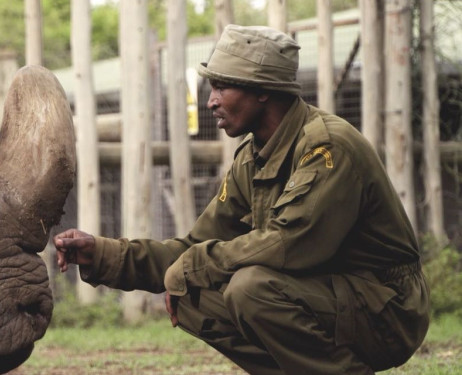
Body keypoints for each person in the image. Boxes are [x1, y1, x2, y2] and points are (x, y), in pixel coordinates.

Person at [53, 24, 429, 375]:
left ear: (262, 89)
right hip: (329, 297)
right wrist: (102, 254)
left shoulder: (327, 146)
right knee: (191, 300)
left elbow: (290, 246)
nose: (211, 101)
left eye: (221, 87)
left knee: (249, 289)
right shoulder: (252, 157)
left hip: (387, 309)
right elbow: (192, 247)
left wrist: (192, 265)